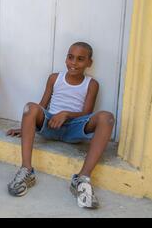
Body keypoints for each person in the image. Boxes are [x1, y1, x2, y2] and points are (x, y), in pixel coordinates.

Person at [7, 42, 115, 209]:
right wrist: (26, 126)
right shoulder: (54, 78)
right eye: (70, 57)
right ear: (66, 58)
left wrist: (66, 114)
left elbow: (87, 113)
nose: (73, 63)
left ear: (89, 63)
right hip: (51, 124)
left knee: (107, 118)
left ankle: (82, 178)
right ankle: (26, 170)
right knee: (30, 107)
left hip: (74, 127)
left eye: (80, 59)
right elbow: (41, 106)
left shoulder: (91, 84)